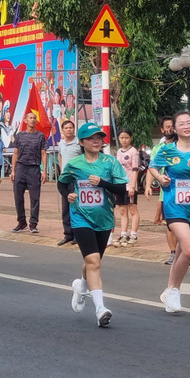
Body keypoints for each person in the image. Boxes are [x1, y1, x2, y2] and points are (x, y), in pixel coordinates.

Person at [58, 123, 128, 328]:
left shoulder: (110, 162)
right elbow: (62, 183)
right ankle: (100, 310)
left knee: (92, 262)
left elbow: (122, 190)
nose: (96, 141)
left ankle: (81, 287)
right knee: (94, 262)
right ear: (81, 142)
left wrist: (102, 183)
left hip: (104, 218)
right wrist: (68, 194)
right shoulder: (74, 164)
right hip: (80, 217)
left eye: (99, 137)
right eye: (91, 138)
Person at [148, 111, 190, 313]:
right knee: (189, 250)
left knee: (180, 252)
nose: (186, 126)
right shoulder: (167, 150)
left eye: (189, 122)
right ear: (175, 129)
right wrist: (160, 179)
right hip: (173, 204)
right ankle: (175, 290)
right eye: (181, 123)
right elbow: (152, 168)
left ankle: (168, 289)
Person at [146, 115, 179, 264]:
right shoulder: (158, 149)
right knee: (171, 224)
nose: (170, 128)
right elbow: (151, 168)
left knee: (186, 224)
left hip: (185, 192)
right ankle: (173, 253)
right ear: (162, 130)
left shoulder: (183, 146)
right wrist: (148, 185)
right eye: (167, 126)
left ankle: (183, 253)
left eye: (172, 125)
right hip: (166, 193)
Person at [10, 111, 47, 233]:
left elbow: (43, 153)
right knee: (17, 196)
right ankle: (21, 222)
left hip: (34, 168)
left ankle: (33, 223)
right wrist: (13, 170)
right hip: (21, 167)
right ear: (25, 120)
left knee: (35, 197)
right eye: (30, 118)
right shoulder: (20, 135)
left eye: (34, 118)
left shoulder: (40, 136)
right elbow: (15, 153)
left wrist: (44, 171)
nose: (32, 120)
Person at [57, 119, 81, 246]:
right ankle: (68, 234)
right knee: (65, 207)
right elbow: (60, 156)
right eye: (66, 128)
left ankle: (78, 235)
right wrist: (62, 170)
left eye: (71, 127)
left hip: (77, 179)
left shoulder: (79, 143)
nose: (69, 130)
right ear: (63, 130)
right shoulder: (61, 143)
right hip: (65, 179)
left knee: (76, 207)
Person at [114, 129, 140, 247]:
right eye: (121, 138)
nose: (124, 140)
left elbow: (135, 170)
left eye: (126, 137)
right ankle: (124, 234)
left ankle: (133, 235)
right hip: (120, 185)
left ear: (130, 138)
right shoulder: (119, 152)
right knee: (122, 211)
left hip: (130, 185)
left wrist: (132, 186)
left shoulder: (133, 152)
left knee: (132, 209)